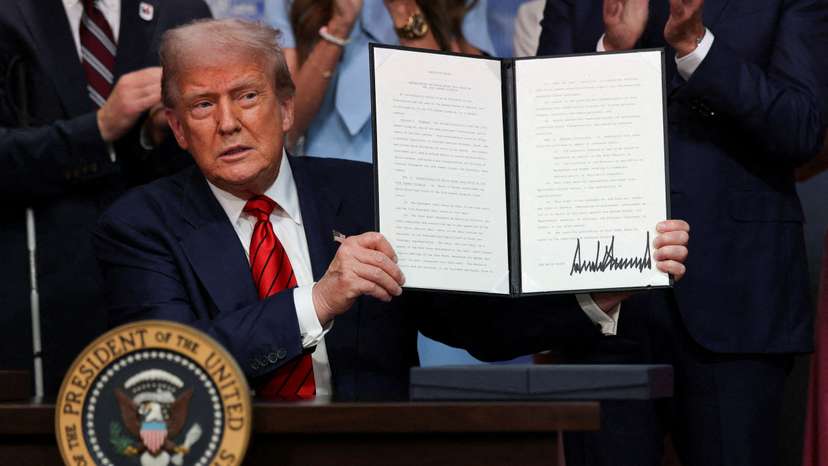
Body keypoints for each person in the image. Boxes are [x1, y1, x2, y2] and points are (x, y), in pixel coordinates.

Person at [92, 18, 691, 401]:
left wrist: (604, 286)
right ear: (174, 126)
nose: (228, 122)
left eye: (247, 96)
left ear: (286, 108)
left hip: (376, 448)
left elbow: (472, 324)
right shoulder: (140, 226)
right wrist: (320, 299)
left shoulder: (369, 193)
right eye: (202, 105)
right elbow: (172, 366)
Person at [534, 1, 828, 465]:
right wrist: (611, 52)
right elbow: (538, 129)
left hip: (737, 297)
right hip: (601, 298)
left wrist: (696, 48)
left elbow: (802, 128)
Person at [0, 0, 212, 396]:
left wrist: (156, 136)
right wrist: (97, 129)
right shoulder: (10, 14)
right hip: (37, 291)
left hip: (161, 279)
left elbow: (207, 152)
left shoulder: (180, 8)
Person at [264, 0, 495, 162]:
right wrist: (340, 26)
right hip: (326, 172)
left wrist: (403, 8)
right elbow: (287, 123)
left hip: (422, 167)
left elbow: (466, 110)